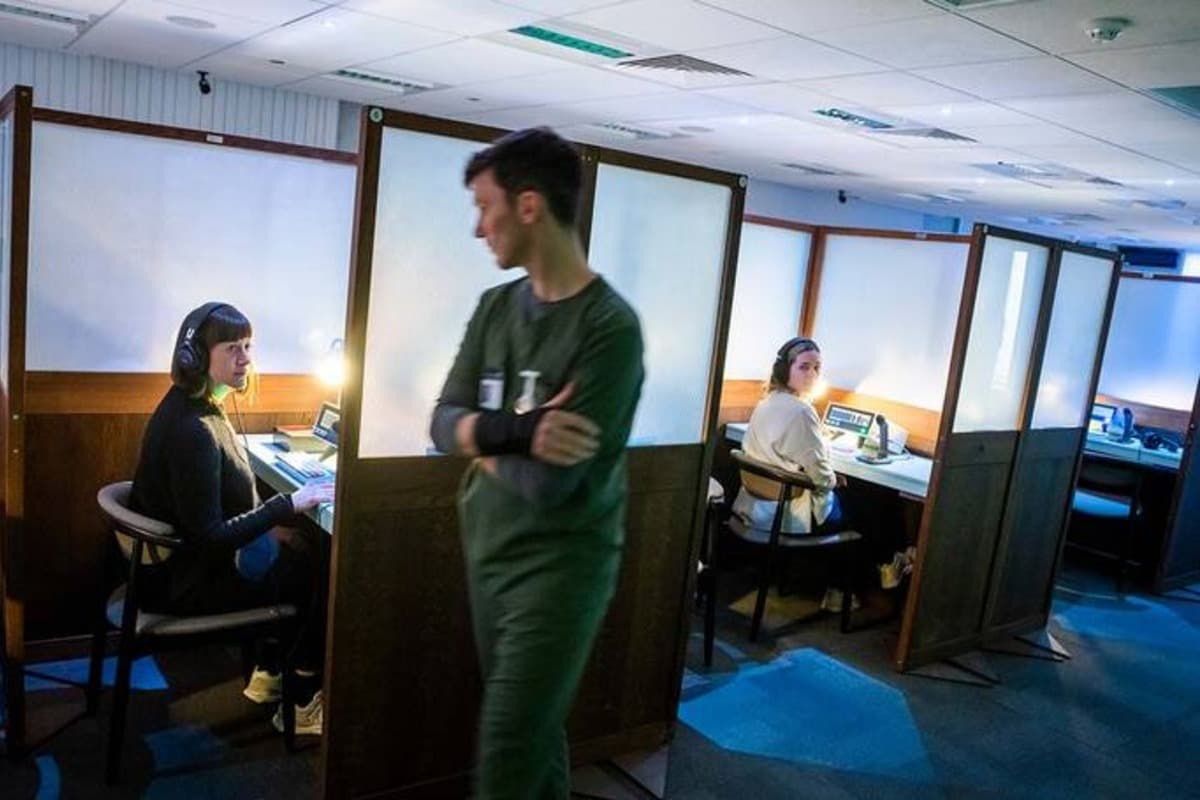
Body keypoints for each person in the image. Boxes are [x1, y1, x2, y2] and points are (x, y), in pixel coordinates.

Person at [430, 128, 644, 800]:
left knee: (509, 748)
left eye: (482, 206)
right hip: (488, 551)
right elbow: (439, 424)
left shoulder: (610, 328)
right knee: (533, 730)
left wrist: (482, 441)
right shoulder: (495, 307)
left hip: (559, 569)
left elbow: (551, 486)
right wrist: (519, 431)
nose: (476, 227)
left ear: (528, 207)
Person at [129, 302, 335, 735]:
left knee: (299, 545)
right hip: (185, 585)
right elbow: (210, 536)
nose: (246, 359)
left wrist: (271, 521)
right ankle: (299, 700)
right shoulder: (194, 430)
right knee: (320, 568)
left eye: (248, 346)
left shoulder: (196, 407)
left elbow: (217, 515)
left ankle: (269, 673)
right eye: (232, 348)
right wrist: (286, 505)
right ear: (196, 357)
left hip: (183, 567)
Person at [732, 337, 843, 536]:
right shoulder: (801, 411)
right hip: (785, 509)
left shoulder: (766, 402)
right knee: (868, 507)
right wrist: (835, 481)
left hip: (755, 504)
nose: (812, 375)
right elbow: (821, 476)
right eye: (804, 367)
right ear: (785, 371)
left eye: (817, 367)